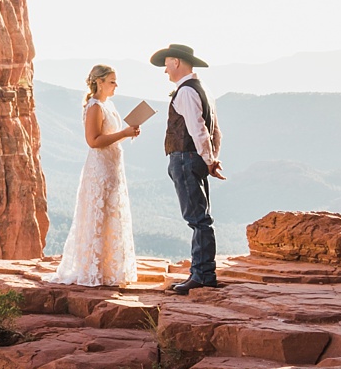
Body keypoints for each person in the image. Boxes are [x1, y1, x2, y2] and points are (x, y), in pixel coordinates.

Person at [48, 63, 142, 286]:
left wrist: (128, 133)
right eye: (112, 81)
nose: (116, 85)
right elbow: (93, 141)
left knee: (110, 213)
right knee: (98, 214)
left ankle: (108, 268)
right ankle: (93, 269)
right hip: (100, 168)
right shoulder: (95, 107)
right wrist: (124, 133)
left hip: (112, 167)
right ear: (99, 82)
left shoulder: (107, 105)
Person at [153, 43, 223, 293]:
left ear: (176, 62)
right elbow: (215, 130)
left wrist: (209, 159)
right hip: (195, 158)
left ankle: (203, 275)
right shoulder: (202, 89)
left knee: (197, 218)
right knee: (200, 217)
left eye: (166, 64)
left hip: (185, 157)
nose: (165, 71)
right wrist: (212, 158)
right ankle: (201, 272)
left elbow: (198, 129)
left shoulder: (185, 92)